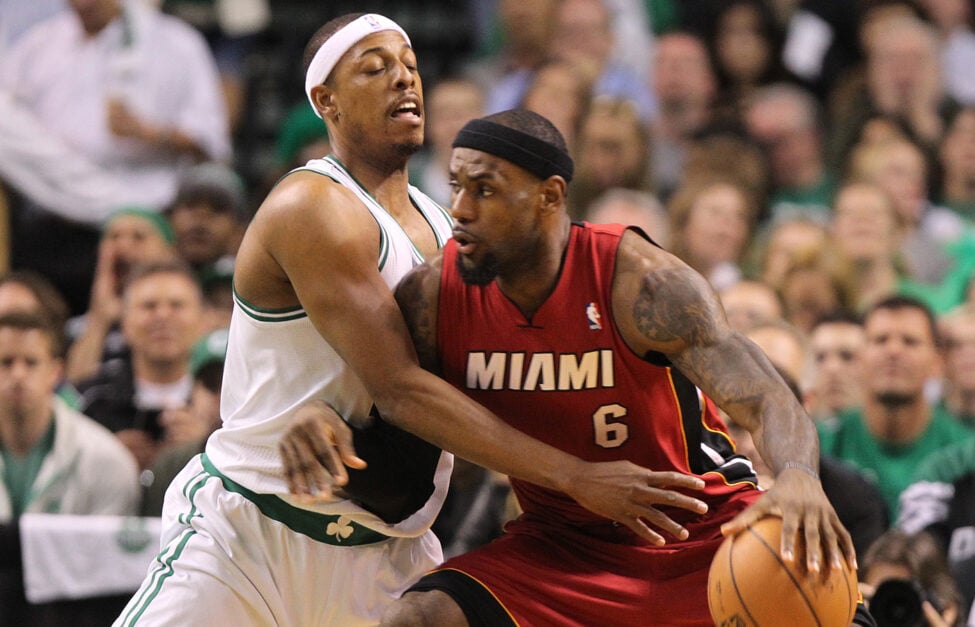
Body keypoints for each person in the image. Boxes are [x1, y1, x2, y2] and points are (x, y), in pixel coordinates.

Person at [115, 15, 711, 626]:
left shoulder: (447, 228)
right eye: (375, 69)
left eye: (410, 68)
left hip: (385, 552)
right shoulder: (313, 205)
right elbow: (400, 388)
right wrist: (576, 475)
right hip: (254, 533)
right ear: (325, 101)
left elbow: (489, 378)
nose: (404, 80)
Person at [286, 109, 856, 626]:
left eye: (484, 190)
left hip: (702, 535)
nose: (459, 210)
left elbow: (764, 397)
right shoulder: (434, 298)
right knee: (418, 621)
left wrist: (802, 477)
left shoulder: (644, 283)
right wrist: (335, 425)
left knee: (833, 606)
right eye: (456, 186)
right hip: (560, 550)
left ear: (549, 197)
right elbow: (409, 433)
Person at [0, 311, 141, 626]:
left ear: (55, 371)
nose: (18, 375)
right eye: (6, 362)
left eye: (31, 362)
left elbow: (107, 579)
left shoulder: (108, 461)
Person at [818, 295, 975, 522]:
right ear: (860, 357)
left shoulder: (965, 453)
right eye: (880, 340)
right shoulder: (822, 444)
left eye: (910, 341)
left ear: (938, 362)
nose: (893, 351)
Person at [76, 260, 205, 470]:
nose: (163, 316)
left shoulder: (224, 404)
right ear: (124, 323)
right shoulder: (91, 400)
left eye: (177, 305)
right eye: (149, 306)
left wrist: (206, 446)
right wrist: (107, 457)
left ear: (201, 320)